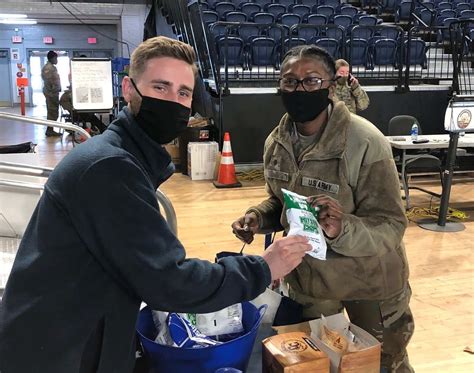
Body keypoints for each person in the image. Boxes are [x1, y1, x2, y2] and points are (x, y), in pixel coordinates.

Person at [0, 36, 311, 373]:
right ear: (129, 89)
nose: (173, 102)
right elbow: (170, 282)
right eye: (160, 87)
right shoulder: (109, 168)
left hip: (75, 330)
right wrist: (262, 268)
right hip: (58, 350)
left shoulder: (120, 156)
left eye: (183, 92)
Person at [232, 45, 414, 373]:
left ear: (331, 87)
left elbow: (390, 224)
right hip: (314, 283)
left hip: (369, 282)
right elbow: (281, 201)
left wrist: (341, 227)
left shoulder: (365, 142)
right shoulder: (277, 142)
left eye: (311, 81)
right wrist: (258, 217)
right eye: (290, 81)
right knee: (318, 364)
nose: (300, 88)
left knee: (383, 365)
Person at [41, 50, 62, 137]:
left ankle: (50, 129)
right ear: (52, 58)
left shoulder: (51, 67)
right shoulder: (48, 68)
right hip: (51, 93)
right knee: (52, 111)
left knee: (53, 111)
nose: (57, 60)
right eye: (56, 58)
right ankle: (50, 130)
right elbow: (49, 81)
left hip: (53, 93)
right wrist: (52, 91)